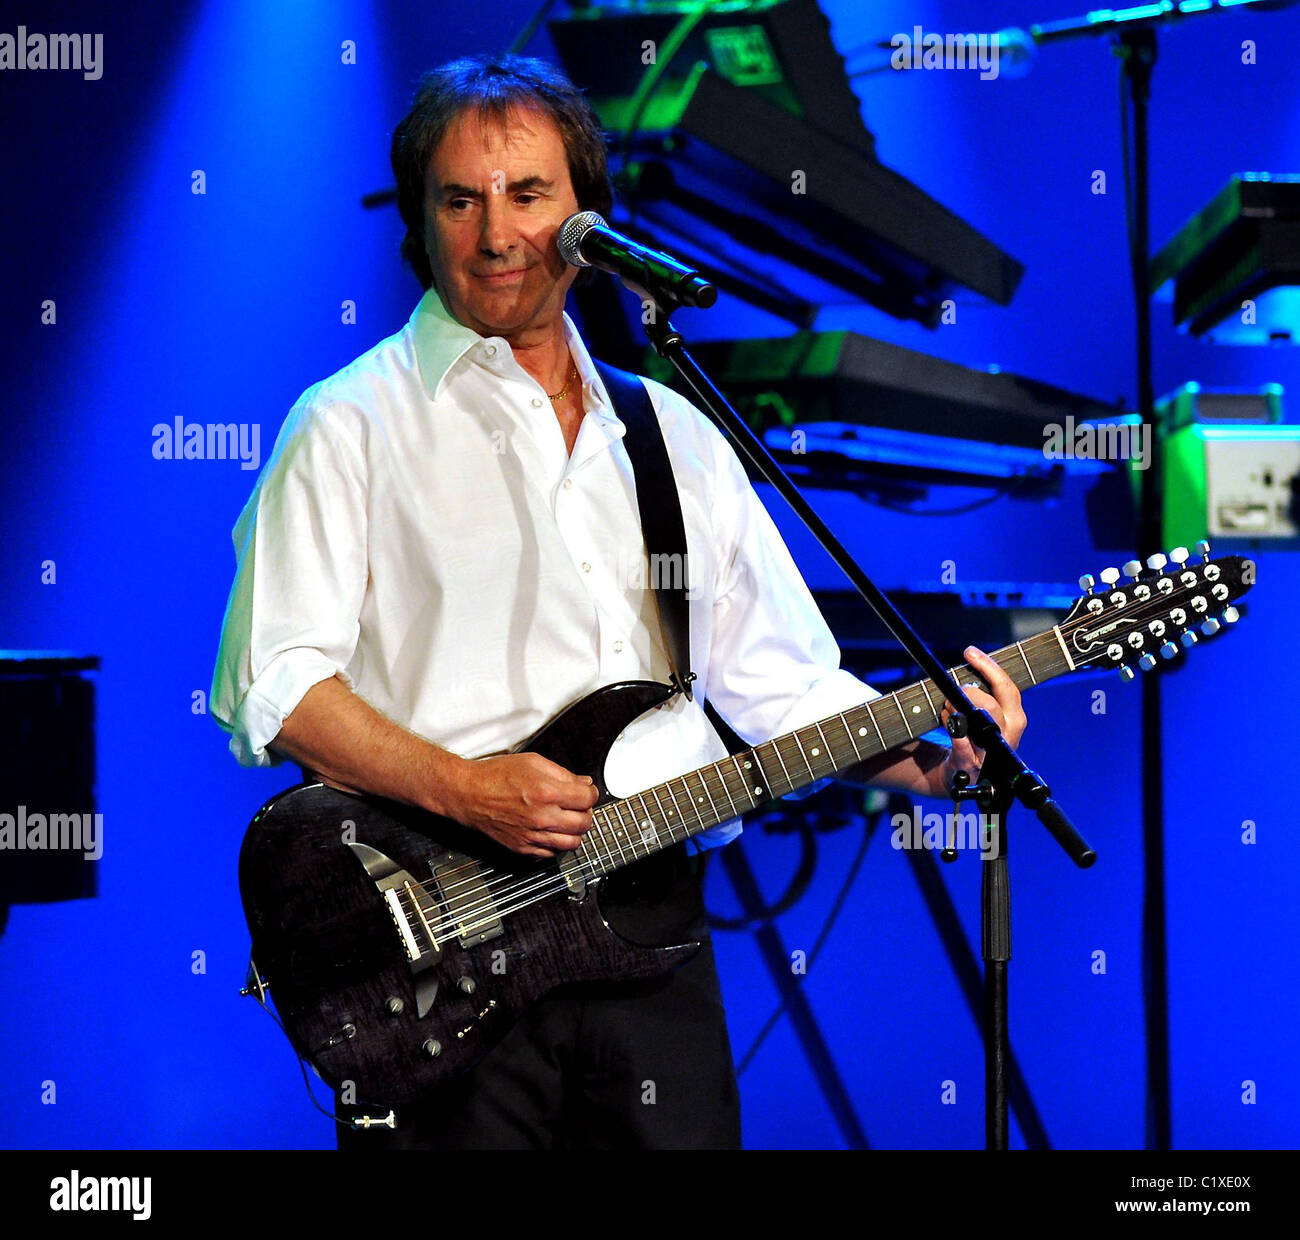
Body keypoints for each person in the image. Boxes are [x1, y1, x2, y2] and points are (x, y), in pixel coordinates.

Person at [210, 54, 1026, 1150]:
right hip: (444, 949)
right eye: (461, 199)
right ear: (420, 220)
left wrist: (925, 753)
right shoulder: (348, 424)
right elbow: (276, 686)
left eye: (529, 195)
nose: (496, 232)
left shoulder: (673, 434)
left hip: (650, 939)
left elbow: (777, 684)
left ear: (588, 215)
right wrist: (467, 789)